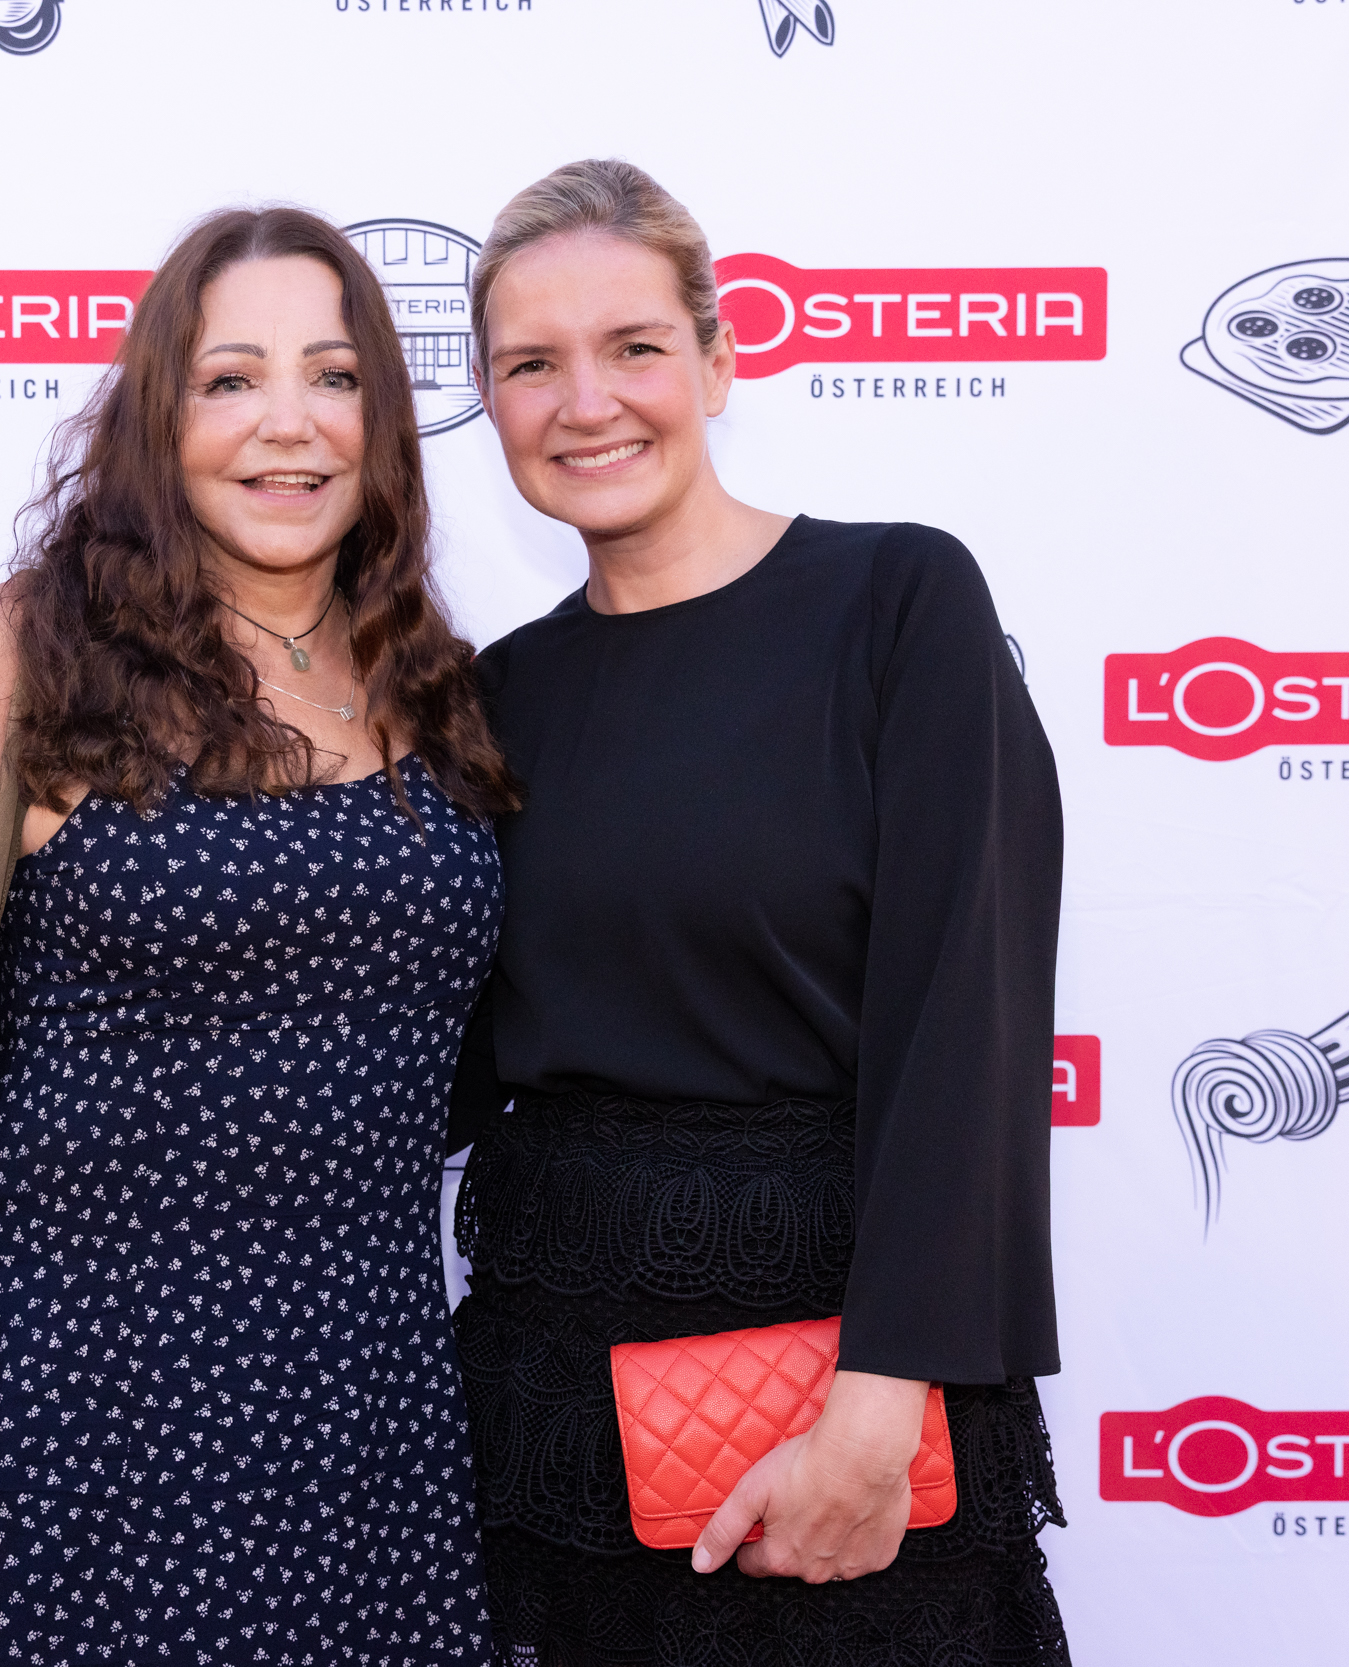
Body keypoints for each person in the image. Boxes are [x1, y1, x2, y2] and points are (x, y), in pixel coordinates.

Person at [0, 205, 519, 1667]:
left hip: (370, 1428)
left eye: (334, 378)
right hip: (76, 1420)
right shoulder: (29, 650)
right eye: (230, 380)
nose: (289, 424)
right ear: (160, 417)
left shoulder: (434, 680)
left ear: (384, 423)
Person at [446, 160, 1071, 1665]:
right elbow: (428, 1061)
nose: (586, 402)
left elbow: (966, 1024)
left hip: (840, 1381)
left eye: (635, 347)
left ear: (719, 364)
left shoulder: (897, 604)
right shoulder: (492, 699)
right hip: (555, 1381)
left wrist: (880, 1401)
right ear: (489, 403)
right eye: (531, 365)